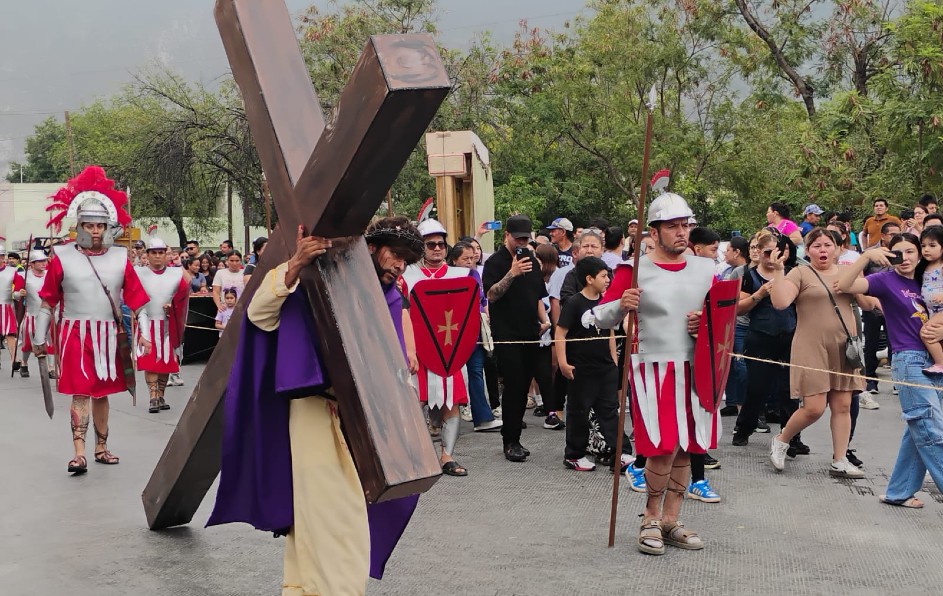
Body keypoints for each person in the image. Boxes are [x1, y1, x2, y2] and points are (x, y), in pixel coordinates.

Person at [208, 217, 426, 595]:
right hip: (314, 414)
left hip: (364, 426)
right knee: (331, 520)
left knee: (332, 523)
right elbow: (260, 314)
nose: (400, 265)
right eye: (396, 254)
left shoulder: (388, 296)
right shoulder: (314, 281)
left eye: (407, 260)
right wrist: (294, 265)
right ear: (370, 249)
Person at [596, 191, 716, 555]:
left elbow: (723, 317)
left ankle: (671, 519)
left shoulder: (706, 268)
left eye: (686, 225)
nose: (682, 232)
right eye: (674, 226)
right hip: (653, 369)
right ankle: (650, 516)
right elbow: (598, 317)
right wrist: (620, 303)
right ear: (654, 231)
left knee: (687, 447)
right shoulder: (632, 270)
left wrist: (706, 321)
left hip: (698, 367)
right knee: (662, 447)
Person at [35, 165, 151, 475]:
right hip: (74, 333)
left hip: (108, 334)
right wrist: (38, 337)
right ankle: (78, 453)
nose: (96, 231)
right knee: (80, 391)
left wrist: (145, 330)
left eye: (101, 225)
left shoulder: (120, 258)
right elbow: (48, 301)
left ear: (108, 226)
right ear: (80, 225)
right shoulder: (61, 256)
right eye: (90, 224)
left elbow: (137, 298)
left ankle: (101, 447)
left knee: (101, 393)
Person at [838, 233, 943, 508]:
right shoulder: (884, 280)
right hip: (909, 361)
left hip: (938, 359)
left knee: (918, 430)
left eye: (911, 251)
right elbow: (844, 284)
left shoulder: (930, 277)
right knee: (931, 428)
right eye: (898, 253)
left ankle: (898, 491)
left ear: (920, 253)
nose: (905, 258)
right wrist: (865, 257)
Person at [768, 228, 865, 478]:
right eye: (817, 246)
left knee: (843, 405)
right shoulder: (800, 272)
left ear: (837, 247)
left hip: (844, 346)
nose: (822, 250)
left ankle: (840, 459)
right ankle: (782, 440)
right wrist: (779, 271)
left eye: (827, 245)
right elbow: (780, 303)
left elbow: (868, 302)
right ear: (808, 250)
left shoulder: (847, 272)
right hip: (810, 346)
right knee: (814, 407)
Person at [401, 219, 473, 476]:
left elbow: (468, 314)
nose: (437, 249)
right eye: (430, 244)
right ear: (421, 247)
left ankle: (447, 456)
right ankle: (416, 457)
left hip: (449, 350)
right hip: (418, 351)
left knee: (451, 402)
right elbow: (403, 314)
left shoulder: (461, 275)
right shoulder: (407, 276)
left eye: (441, 244)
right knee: (416, 401)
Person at [482, 214, 552, 463]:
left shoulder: (532, 260)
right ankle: (509, 440)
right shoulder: (494, 262)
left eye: (525, 238)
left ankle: (516, 438)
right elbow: (491, 295)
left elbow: (536, 296)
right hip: (507, 335)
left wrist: (544, 322)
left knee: (523, 388)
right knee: (513, 387)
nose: (522, 243)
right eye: (517, 239)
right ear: (506, 237)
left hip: (530, 332)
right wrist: (511, 273)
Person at [555, 256, 634, 473]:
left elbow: (610, 331)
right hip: (581, 368)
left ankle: (621, 451)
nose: (608, 279)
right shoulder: (574, 303)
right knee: (579, 412)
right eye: (603, 276)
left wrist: (614, 361)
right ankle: (574, 454)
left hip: (605, 367)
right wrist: (563, 362)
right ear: (589, 279)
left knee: (610, 411)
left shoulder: (607, 302)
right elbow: (560, 332)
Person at [731, 231, 801, 450]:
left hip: (790, 336)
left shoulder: (791, 274)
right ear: (758, 252)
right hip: (760, 336)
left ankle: (791, 437)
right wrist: (759, 294)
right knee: (756, 387)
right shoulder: (749, 276)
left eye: (776, 253)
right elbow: (738, 308)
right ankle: (744, 428)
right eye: (767, 252)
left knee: (790, 390)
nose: (772, 257)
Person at [448, 241, 502, 433]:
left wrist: (487, 319)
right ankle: (444, 418)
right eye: (465, 259)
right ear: (454, 260)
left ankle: (483, 417)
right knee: (450, 373)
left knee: (476, 370)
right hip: (453, 330)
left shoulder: (476, 275)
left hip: (476, 327)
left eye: (472, 258)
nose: (470, 262)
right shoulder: (449, 276)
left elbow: (482, 300)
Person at [135, 237, 189, 414]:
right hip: (147, 322)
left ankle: (161, 394)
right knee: (150, 362)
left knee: (166, 362)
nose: (158, 256)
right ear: (147, 255)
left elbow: (185, 292)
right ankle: (153, 396)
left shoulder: (176, 273)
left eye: (161, 253)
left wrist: (173, 306)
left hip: (168, 324)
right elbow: (134, 298)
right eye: (154, 253)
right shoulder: (138, 272)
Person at [15, 250, 52, 378]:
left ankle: (50, 368)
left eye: (45, 260)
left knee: (49, 341)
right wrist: (20, 293)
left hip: (48, 313)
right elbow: (15, 295)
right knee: (28, 343)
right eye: (40, 261)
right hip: (32, 314)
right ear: (32, 263)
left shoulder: (50, 274)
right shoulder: (24, 276)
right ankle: (24, 363)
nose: (43, 263)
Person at [913, 226, 943, 375]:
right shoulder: (923, 267)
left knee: (926, 332)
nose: (926, 249)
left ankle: (940, 363)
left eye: (932, 245)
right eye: (923, 246)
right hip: (932, 311)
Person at [0, 244, 26, 370]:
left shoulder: (12, 271)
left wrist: (18, 294)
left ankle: (13, 360)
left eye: (1, 256)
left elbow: (18, 289)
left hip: (6, 306)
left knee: (10, 334)